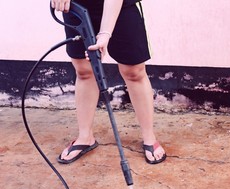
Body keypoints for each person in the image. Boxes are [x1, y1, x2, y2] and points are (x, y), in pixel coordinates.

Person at [51, 0, 166, 164]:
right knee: (84, 70)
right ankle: (85, 137)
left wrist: (105, 33)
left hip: (121, 6)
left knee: (134, 71)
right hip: (76, 6)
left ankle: (149, 137)